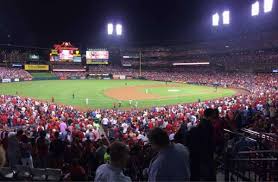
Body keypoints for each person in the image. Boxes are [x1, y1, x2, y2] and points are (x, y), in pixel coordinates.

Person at [186, 108, 216, 181]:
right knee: (207, 174)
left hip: (199, 155)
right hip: (206, 155)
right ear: (210, 116)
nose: (214, 119)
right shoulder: (208, 126)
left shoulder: (201, 124)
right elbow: (209, 142)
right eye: (213, 117)